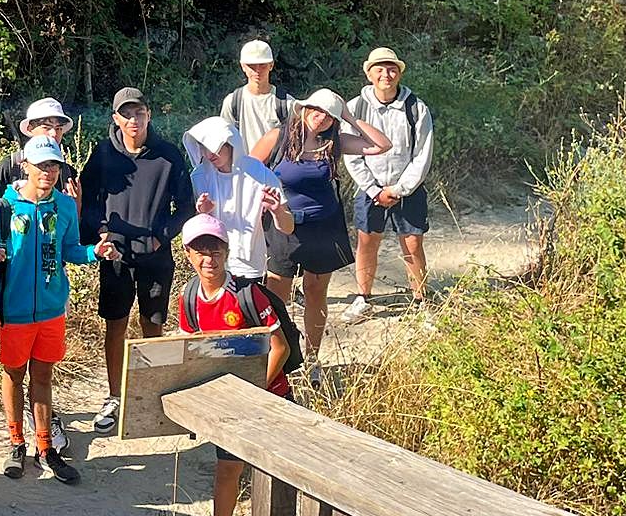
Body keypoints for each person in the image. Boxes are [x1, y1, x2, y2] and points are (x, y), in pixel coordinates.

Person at [0, 137, 122, 483]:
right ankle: (15, 444)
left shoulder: (66, 208)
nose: (48, 172)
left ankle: (45, 448)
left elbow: (70, 250)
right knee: (13, 374)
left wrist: (94, 253)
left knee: (43, 377)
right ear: (25, 166)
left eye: (53, 165)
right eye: (41, 165)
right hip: (15, 310)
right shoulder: (5, 209)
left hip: (52, 311)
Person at [174, 215, 299, 516]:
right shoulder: (189, 297)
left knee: (277, 476)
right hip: (229, 403)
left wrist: (254, 393)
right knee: (227, 470)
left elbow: (280, 349)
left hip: (269, 399)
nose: (208, 258)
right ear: (186, 254)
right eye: (200, 251)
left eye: (215, 249)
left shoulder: (249, 294)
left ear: (227, 251)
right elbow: (192, 350)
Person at [79, 86, 196, 432]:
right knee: (115, 325)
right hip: (114, 256)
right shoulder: (102, 155)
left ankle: (150, 394)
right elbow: (88, 201)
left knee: (152, 324)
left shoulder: (168, 155)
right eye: (126, 113)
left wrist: (163, 236)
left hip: (155, 257)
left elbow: (185, 207)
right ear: (115, 118)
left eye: (139, 112)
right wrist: (99, 233)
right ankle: (115, 397)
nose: (133, 119)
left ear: (149, 115)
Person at [260, 88, 390, 361]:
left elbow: (381, 145)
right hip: (283, 223)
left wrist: (349, 117)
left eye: (329, 115)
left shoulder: (334, 143)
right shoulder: (278, 138)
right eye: (316, 110)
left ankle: (312, 359)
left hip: (323, 225)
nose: (321, 118)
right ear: (305, 109)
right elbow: (247, 169)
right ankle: (276, 357)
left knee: (316, 291)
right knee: (276, 297)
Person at [346, 47, 436, 317]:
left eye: (391, 68)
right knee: (367, 242)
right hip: (369, 189)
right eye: (380, 69)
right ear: (369, 73)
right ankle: (363, 297)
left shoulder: (416, 107)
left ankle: (421, 300)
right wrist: (374, 190)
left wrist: (399, 189)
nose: (386, 74)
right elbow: (351, 155)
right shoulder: (355, 108)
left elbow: (423, 153)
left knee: (412, 245)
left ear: (399, 72)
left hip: (407, 189)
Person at [182, 118, 295, 283]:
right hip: (212, 265)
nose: (209, 154)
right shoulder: (199, 177)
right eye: (204, 148)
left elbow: (288, 227)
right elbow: (190, 228)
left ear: (231, 143)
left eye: (215, 147)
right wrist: (202, 214)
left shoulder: (258, 173)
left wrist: (277, 210)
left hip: (250, 266)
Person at [0, 98, 80, 216]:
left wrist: (73, 204)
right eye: (46, 127)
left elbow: (74, 224)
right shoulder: (12, 166)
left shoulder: (67, 173)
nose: (54, 134)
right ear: (30, 129)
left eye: (59, 128)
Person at [222, 40, 295, 163]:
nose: (257, 71)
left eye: (262, 65)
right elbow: (225, 140)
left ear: (271, 65)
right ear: (243, 66)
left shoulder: (287, 103)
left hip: (275, 174)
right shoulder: (233, 102)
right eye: (251, 66)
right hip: (242, 172)